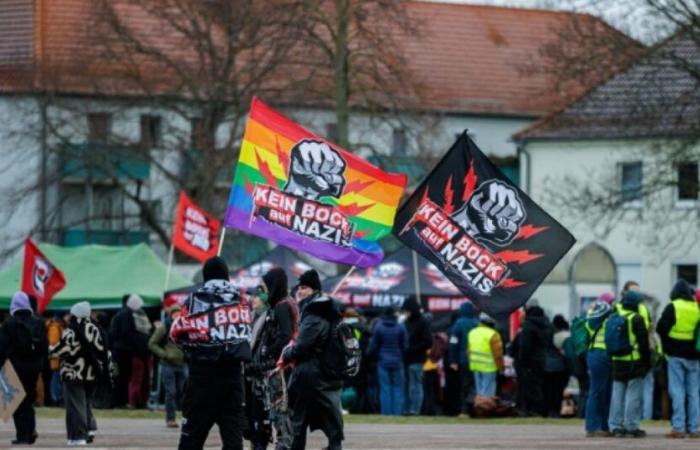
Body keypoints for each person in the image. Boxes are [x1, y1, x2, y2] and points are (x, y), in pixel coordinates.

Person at [170, 256, 252, 450]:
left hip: (201, 376)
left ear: (205, 275)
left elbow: (176, 334)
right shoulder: (242, 298)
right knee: (233, 441)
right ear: (227, 275)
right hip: (232, 377)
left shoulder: (194, 299)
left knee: (191, 439)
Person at [282, 270, 344, 450]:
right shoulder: (325, 310)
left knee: (298, 421)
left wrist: (287, 353)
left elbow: (303, 346)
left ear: (315, 290)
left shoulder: (313, 313)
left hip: (310, 375)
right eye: (299, 288)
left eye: (305, 288)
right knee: (329, 416)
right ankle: (334, 446)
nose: (300, 291)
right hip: (324, 372)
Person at [246, 267, 298, 450]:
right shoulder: (279, 304)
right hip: (274, 366)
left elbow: (285, 336)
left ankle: (282, 445)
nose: (263, 291)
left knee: (279, 411)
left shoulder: (282, 305)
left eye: (265, 287)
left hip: (279, 368)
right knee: (269, 412)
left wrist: (269, 355)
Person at [50, 301, 112, 446]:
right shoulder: (96, 329)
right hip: (91, 375)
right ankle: (90, 428)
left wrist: (51, 351)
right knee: (85, 403)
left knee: (75, 405)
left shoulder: (72, 330)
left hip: (73, 373)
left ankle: (77, 437)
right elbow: (104, 352)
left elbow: (64, 350)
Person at [0, 292, 48, 445]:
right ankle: (31, 430)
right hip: (34, 366)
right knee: (28, 398)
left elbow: (2, 347)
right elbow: (44, 346)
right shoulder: (39, 321)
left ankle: (23, 435)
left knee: (17, 400)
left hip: (16, 365)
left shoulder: (10, 323)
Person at [656, 279, 700, 439]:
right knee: (694, 393)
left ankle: (679, 427)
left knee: (677, 390)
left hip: (675, 355)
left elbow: (660, 328)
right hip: (694, 356)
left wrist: (667, 345)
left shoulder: (673, 306)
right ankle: (694, 428)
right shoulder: (696, 307)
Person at [608, 290, 650, 438]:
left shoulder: (614, 316)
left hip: (617, 361)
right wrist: (647, 362)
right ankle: (631, 425)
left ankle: (615, 426)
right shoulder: (636, 319)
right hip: (634, 361)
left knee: (617, 394)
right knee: (633, 395)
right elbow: (643, 343)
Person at [149, 303, 187, 428]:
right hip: (168, 364)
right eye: (174, 313)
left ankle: (185, 418)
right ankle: (170, 419)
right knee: (171, 392)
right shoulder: (164, 327)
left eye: (179, 313)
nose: (177, 315)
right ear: (171, 314)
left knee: (183, 392)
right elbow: (152, 343)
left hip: (182, 364)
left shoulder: (184, 326)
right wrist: (164, 354)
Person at [368, 307, 408, 416]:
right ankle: (397, 413)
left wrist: (375, 356)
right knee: (398, 388)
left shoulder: (379, 327)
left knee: (385, 389)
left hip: (383, 362)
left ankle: (386, 413)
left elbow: (374, 346)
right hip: (398, 362)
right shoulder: (400, 327)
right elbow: (405, 346)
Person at [584, 298, 614, 437]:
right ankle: (595, 426)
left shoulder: (591, 316)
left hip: (594, 354)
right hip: (603, 354)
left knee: (600, 392)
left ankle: (599, 426)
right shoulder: (607, 316)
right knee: (599, 392)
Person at [517, 305, 551, 416]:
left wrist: (521, 358)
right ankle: (539, 409)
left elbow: (525, 345)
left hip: (529, 360)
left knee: (528, 385)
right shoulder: (548, 325)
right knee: (539, 384)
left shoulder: (528, 325)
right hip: (542, 358)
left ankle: (528, 409)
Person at [401, 297, 433, 416]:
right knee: (407, 386)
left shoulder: (422, 322)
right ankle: (406, 409)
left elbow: (429, 341)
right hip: (406, 359)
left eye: (406, 311)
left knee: (415, 386)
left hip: (417, 359)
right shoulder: (405, 323)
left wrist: (413, 349)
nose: (405, 313)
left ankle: (415, 410)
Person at [448, 302, 479, 416]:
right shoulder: (477, 323)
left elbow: (453, 343)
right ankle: (476, 408)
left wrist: (453, 360)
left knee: (464, 385)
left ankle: (464, 409)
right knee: (476, 385)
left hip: (463, 360)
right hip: (477, 360)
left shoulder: (458, 324)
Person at [467, 313, 504, 397]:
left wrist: (471, 363)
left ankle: (480, 408)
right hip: (489, 368)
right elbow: (498, 354)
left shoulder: (472, 332)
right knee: (488, 393)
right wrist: (501, 368)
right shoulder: (493, 334)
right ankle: (486, 408)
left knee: (479, 392)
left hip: (475, 366)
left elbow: (468, 351)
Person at [109, 295, 134, 407]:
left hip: (116, 350)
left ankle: (116, 401)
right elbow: (126, 332)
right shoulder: (127, 314)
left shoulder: (118, 314)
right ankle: (121, 402)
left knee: (117, 376)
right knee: (123, 377)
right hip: (123, 351)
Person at [544, 315, 570, 418]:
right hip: (560, 367)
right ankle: (556, 411)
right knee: (558, 391)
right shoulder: (565, 336)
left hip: (547, 367)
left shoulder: (548, 336)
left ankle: (548, 411)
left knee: (548, 391)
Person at [46, 313, 66, 406]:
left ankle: (57, 398)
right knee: (56, 378)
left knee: (57, 378)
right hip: (57, 358)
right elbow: (53, 342)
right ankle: (56, 399)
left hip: (57, 357)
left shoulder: (57, 327)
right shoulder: (55, 327)